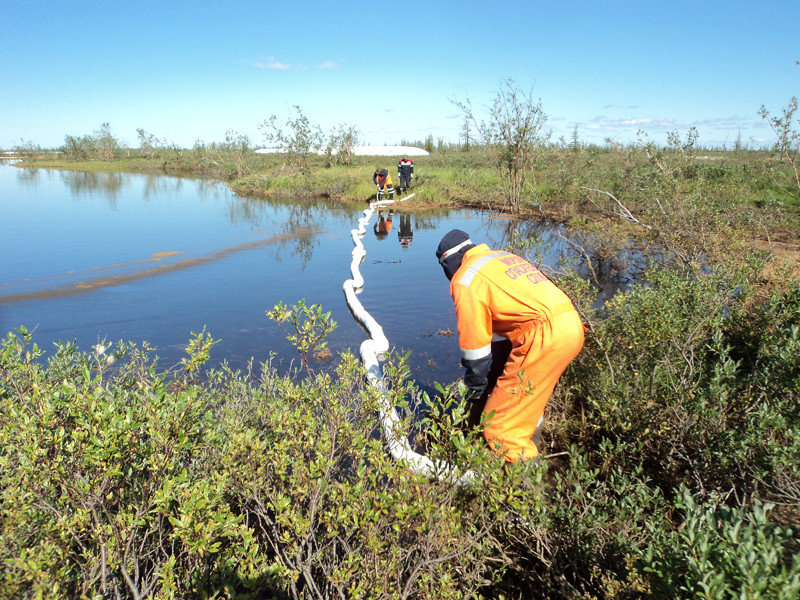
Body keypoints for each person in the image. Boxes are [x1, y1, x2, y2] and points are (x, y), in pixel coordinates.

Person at [435, 229, 585, 462]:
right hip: (571, 325)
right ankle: (530, 434)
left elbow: (475, 349)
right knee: (522, 400)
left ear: (448, 261)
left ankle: (520, 489)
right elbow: (499, 341)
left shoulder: (464, 278)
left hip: (544, 337)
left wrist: (475, 390)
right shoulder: (501, 257)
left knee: (500, 427)